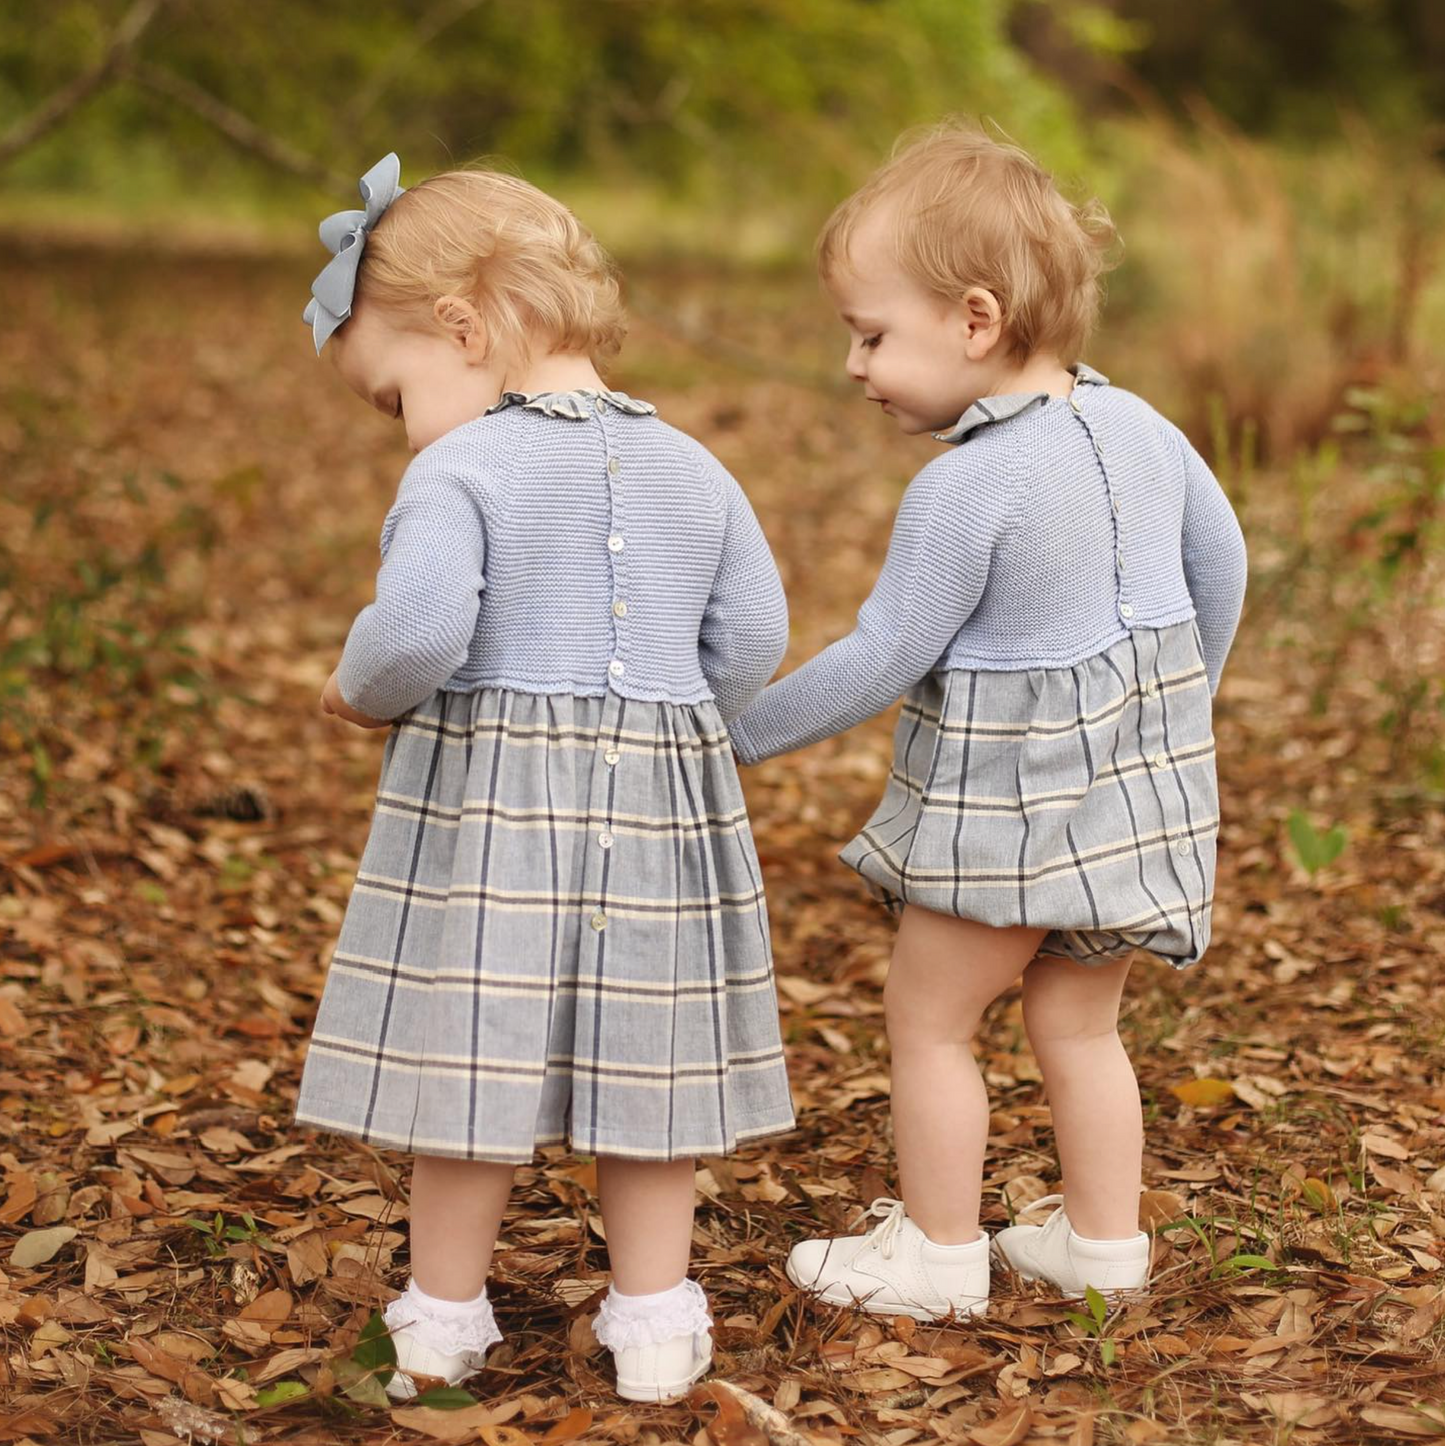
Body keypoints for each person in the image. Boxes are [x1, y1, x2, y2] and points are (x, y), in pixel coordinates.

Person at [291, 155, 795, 1400]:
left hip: (495, 812)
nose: (398, 423)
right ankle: (656, 1321)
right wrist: (681, 722)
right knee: (648, 1069)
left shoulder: (459, 472)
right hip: (661, 806)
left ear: (461, 327)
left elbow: (416, 633)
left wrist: (358, 691)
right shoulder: (694, 467)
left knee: (471, 1057)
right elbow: (756, 638)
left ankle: (443, 1322)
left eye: (392, 393)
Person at [729, 125, 1247, 1320]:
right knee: (1078, 1025)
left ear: (973, 320)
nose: (853, 363)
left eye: (869, 334)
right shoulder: (1142, 430)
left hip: (1003, 819)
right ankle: (1103, 1250)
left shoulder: (965, 488)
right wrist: (1176, 708)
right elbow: (1218, 567)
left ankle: (940, 1253)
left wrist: (736, 732)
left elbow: (880, 656)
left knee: (930, 1020)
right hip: (1132, 806)